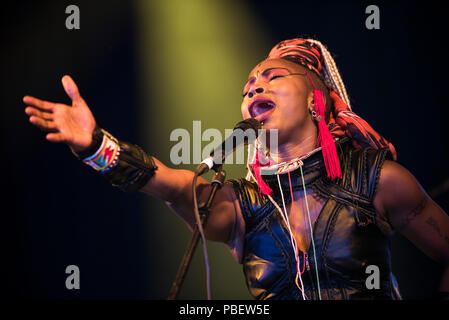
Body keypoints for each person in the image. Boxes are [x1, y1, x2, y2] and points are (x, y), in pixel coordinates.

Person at [23, 38, 449, 300]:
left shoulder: (377, 179)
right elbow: (173, 187)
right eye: (248, 86)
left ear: (316, 101)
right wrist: (97, 145)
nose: (254, 87)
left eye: (272, 77)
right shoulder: (243, 205)